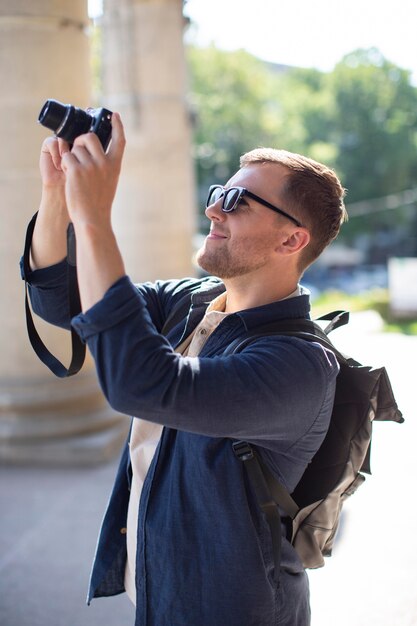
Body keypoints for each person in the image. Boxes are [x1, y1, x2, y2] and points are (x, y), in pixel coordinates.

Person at [23, 112, 347, 626]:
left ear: (292, 241)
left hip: (231, 610)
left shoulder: (299, 364)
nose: (213, 207)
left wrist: (93, 218)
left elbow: (143, 384)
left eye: (238, 201)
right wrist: (58, 194)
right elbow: (62, 301)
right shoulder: (189, 301)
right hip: (159, 593)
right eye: (221, 190)